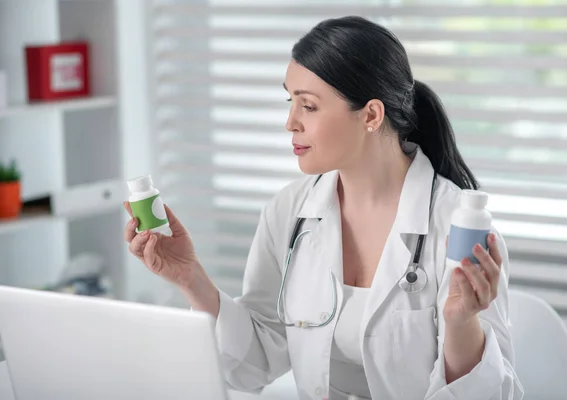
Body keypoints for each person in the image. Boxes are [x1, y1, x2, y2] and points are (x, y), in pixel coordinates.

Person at [124, 16, 523, 400]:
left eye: (308, 106)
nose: (290, 123)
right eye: (290, 101)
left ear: (370, 115)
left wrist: (461, 323)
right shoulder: (290, 211)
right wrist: (190, 278)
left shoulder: (457, 228)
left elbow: (493, 394)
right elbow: (255, 361)